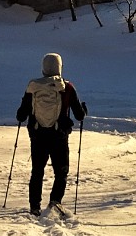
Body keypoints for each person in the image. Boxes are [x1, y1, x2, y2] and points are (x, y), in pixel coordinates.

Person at [15, 52, 86, 216]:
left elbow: (21, 115)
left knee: (37, 171)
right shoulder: (67, 87)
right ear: (60, 67)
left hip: (38, 135)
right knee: (61, 171)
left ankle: (34, 207)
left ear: (43, 68)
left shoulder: (33, 87)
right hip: (59, 136)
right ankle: (55, 202)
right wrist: (83, 109)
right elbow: (79, 115)